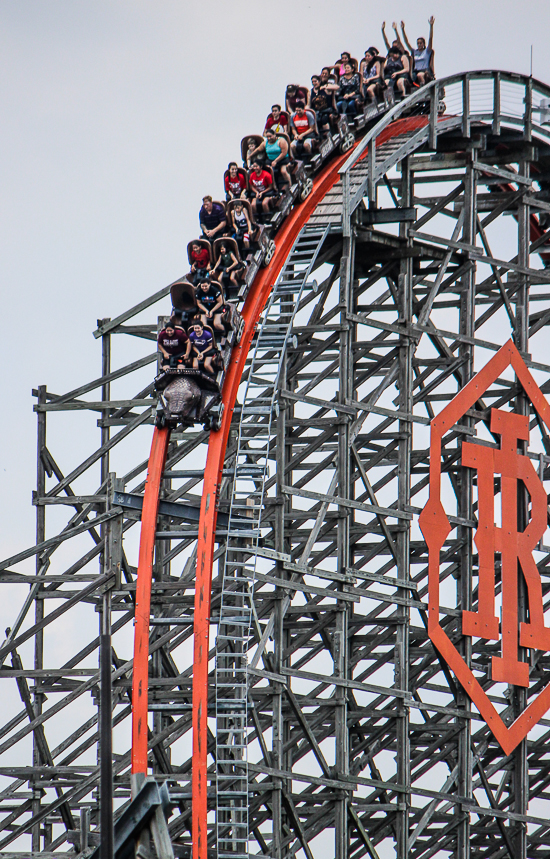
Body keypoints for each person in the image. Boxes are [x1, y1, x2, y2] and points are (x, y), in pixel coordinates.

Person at [400, 17, 435, 85]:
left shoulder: (427, 51)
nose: (419, 45)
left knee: (420, 75)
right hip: (415, 71)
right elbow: (406, 42)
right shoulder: (415, 52)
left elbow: (430, 39)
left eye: (420, 43)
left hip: (425, 71)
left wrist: (431, 26)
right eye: (418, 43)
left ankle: (424, 87)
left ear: (423, 44)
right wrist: (402, 29)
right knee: (409, 78)